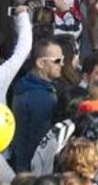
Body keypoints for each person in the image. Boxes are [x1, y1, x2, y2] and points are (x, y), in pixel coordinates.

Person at [12, 37, 64, 171]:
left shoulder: (24, 85)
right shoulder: (41, 98)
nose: (62, 64)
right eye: (57, 61)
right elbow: (40, 139)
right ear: (41, 63)